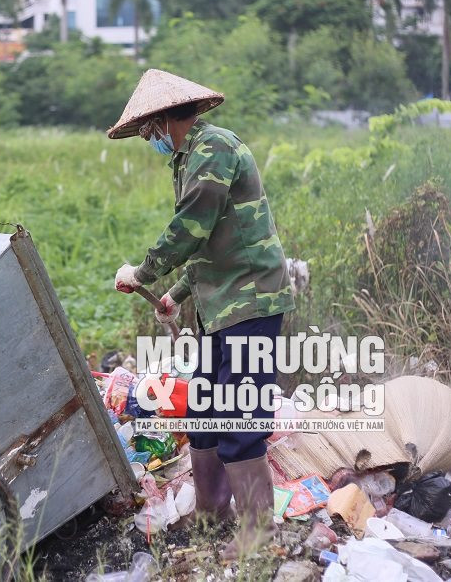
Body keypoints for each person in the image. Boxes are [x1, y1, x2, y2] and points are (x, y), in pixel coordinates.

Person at [107, 69, 295, 562]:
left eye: (150, 130)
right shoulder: (189, 158)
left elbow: (190, 227)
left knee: (240, 414)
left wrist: (142, 272)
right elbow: (211, 245)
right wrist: (175, 292)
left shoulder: (214, 149)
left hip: (250, 302)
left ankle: (257, 534)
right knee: (205, 410)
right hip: (221, 305)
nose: (150, 139)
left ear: (167, 119)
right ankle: (212, 514)